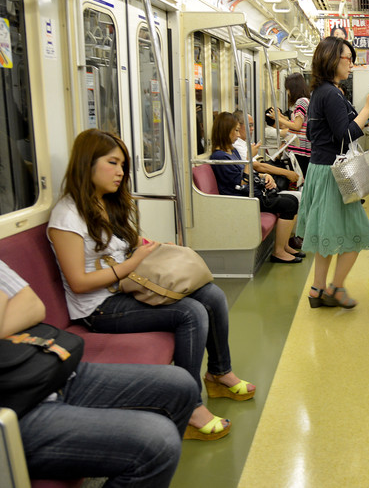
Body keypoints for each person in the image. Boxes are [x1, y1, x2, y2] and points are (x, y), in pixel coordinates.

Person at [47, 129, 255, 441]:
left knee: (210, 294)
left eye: (123, 165)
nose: (120, 172)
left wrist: (151, 248)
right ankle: (188, 405)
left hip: (125, 287)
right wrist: (132, 264)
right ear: (87, 163)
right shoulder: (67, 216)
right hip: (98, 307)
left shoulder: (106, 203)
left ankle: (219, 372)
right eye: (112, 163)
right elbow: (78, 283)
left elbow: (123, 248)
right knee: (190, 313)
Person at [1, 260, 196, 486]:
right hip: (13, 410)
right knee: (158, 441)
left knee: (180, 385)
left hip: (45, 372)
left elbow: (32, 305)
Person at [297, 36, 369, 309]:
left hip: (320, 169)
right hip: (335, 174)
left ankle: (317, 288)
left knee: (327, 233)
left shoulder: (321, 92)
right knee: (356, 232)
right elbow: (345, 134)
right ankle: (335, 287)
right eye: (348, 58)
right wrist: (368, 108)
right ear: (332, 59)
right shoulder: (332, 94)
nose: (351, 64)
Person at [210, 112, 302, 264]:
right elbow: (242, 184)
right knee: (289, 204)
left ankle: (284, 245)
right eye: (236, 130)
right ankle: (278, 252)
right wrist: (248, 160)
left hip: (250, 193)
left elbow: (246, 175)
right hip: (241, 198)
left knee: (292, 199)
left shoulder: (231, 151)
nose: (238, 134)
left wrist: (264, 176)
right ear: (226, 131)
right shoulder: (219, 157)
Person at [233, 110, 300, 188]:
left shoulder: (246, 143)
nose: (252, 129)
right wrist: (287, 173)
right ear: (238, 126)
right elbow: (257, 166)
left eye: (253, 125)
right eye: (250, 125)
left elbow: (259, 162)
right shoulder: (237, 144)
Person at [270, 73, 312, 176]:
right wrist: (282, 117)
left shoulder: (301, 102)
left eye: (288, 89)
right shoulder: (306, 100)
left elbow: (297, 126)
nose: (288, 92)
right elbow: (299, 122)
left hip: (300, 148)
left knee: (299, 177)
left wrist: (278, 118)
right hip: (302, 147)